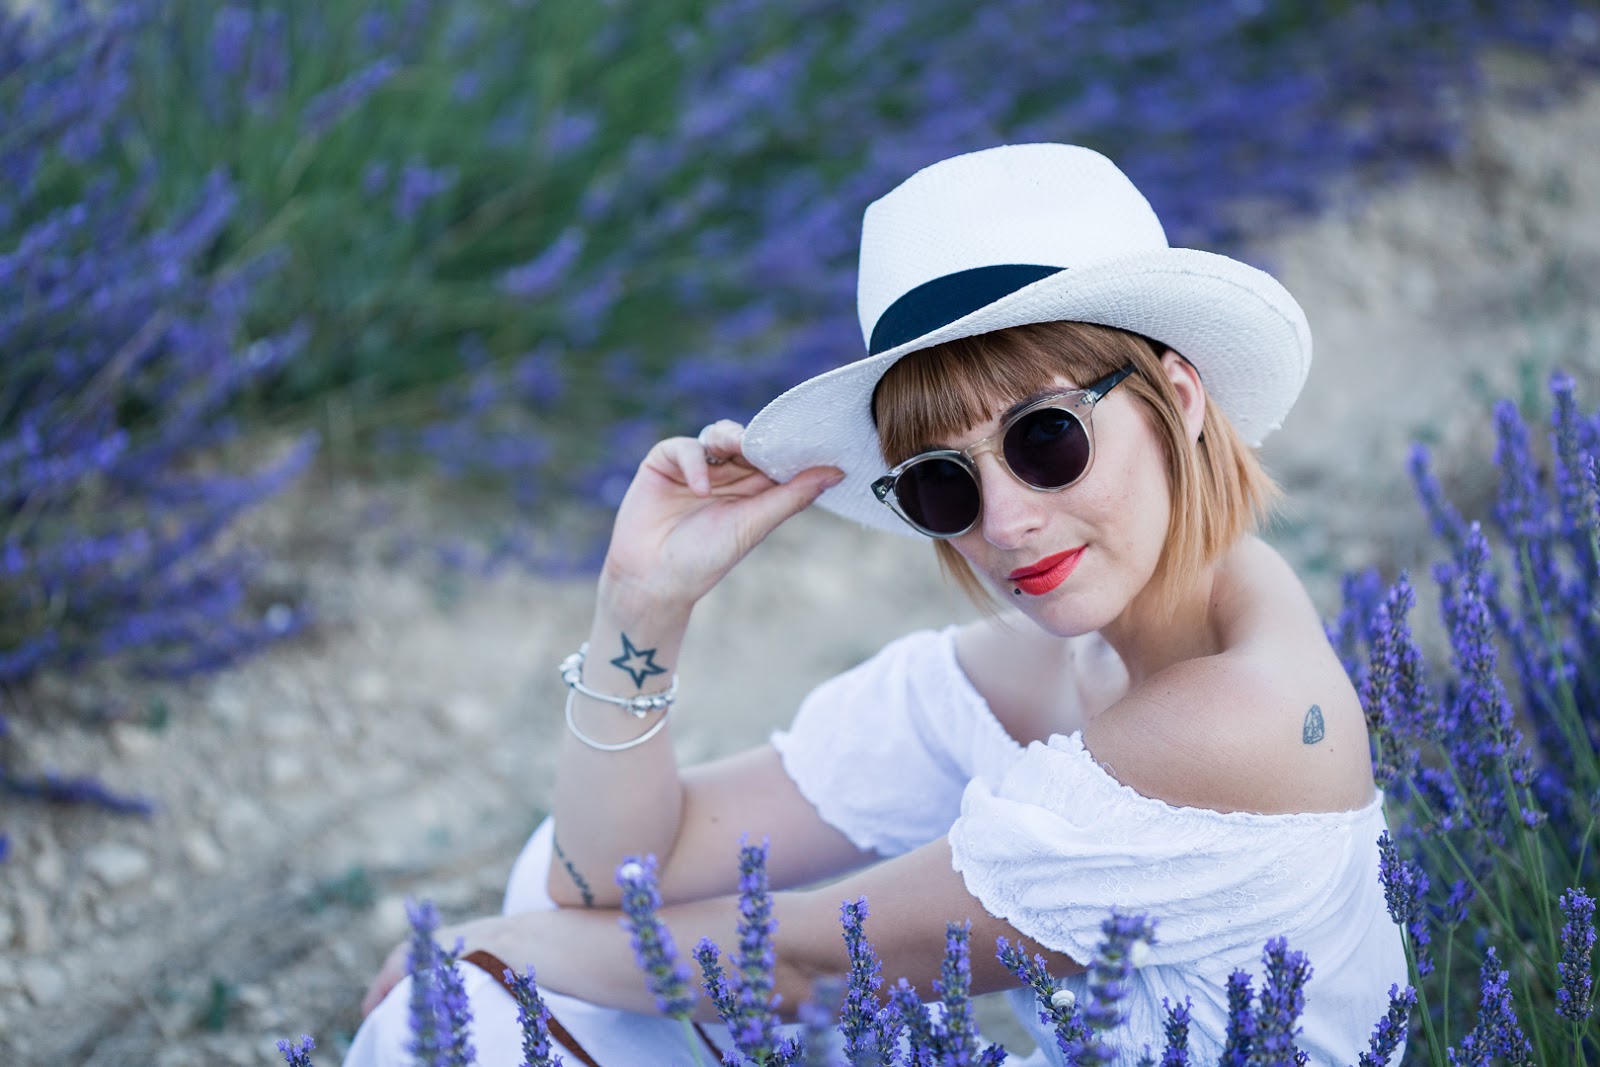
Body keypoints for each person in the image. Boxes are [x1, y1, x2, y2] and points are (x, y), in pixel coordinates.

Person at [346, 143, 1406, 1066]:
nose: (1006, 522)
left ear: (1177, 397)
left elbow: (808, 959)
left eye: (1046, 437)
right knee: (544, 898)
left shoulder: (1234, 718)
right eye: (943, 482)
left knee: (481, 1002)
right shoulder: (1046, 666)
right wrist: (641, 603)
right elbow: (616, 880)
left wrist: (493, 949)